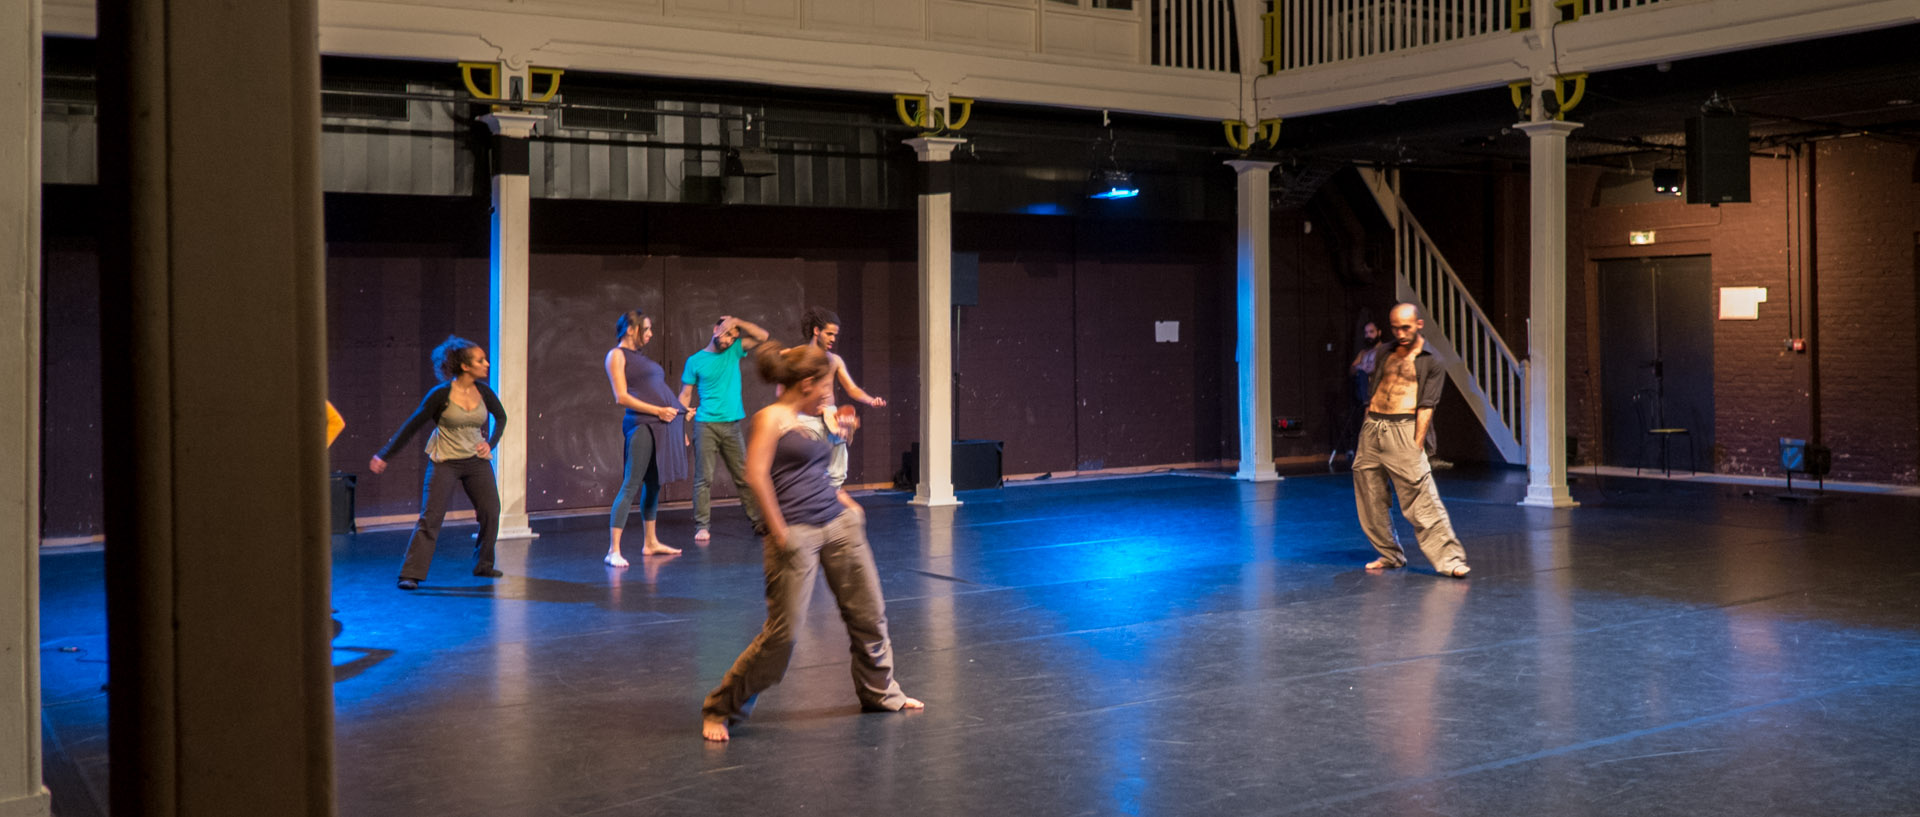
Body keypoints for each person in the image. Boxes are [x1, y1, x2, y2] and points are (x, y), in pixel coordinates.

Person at [700, 342, 922, 742]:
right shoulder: (771, 418)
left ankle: (881, 693)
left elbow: (817, 471)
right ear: (805, 383)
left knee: (869, 615)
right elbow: (756, 476)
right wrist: (779, 531)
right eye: (824, 384)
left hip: (837, 523)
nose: (828, 391)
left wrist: (847, 502)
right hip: (796, 532)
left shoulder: (813, 416)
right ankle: (721, 706)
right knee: (781, 636)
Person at [369, 336, 507, 591]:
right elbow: (412, 426)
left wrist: (491, 443)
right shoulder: (441, 395)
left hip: (476, 461)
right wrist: (384, 455)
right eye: (480, 360)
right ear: (465, 366)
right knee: (431, 517)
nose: (486, 364)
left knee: (491, 511)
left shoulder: (484, 391)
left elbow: (501, 417)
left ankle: (484, 564)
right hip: (445, 461)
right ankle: (410, 573)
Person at [1353, 303, 1471, 578]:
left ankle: (1449, 559)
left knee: (1421, 498)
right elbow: (1374, 393)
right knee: (1370, 498)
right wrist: (1365, 429)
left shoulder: (1432, 359)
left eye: (1406, 327)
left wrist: (1416, 444)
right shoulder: (1384, 351)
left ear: (1419, 324)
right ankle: (1389, 554)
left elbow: (1427, 405)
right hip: (1372, 429)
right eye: (1395, 327)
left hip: (1403, 430)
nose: (1401, 333)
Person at [604, 309, 690, 567]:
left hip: (661, 425)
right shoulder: (616, 355)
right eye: (647, 329)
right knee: (632, 483)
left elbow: (658, 392)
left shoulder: (642, 358)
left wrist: (678, 413)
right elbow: (622, 396)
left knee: (653, 485)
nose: (651, 334)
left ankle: (650, 542)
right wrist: (659, 411)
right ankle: (613, 550)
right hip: (642, 425)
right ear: (631, 328)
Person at [677, 316, 770, 543]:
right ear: (715, 329)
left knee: (743, 476)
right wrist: (679, 428)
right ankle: (702, 526)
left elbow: (762, 336)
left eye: (733, 337)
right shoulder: (695, 361)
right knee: (703, 478)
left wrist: (738, 321)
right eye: (726, 334)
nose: (728, 340)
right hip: (705, 425)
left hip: (732, 425)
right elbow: (685, 395)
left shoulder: (735, 350)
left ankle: (758, 522)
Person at [798, 307, 885, 489]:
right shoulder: (799, 356)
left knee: (836, 473)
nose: (833, 339)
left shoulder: (835, 360)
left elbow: (852, 388)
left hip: (832, 419)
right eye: (829, 334)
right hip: (807, 420)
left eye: (835, 335)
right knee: (808, 471)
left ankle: (831, 509)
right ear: (816, 331)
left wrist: (870, 400)